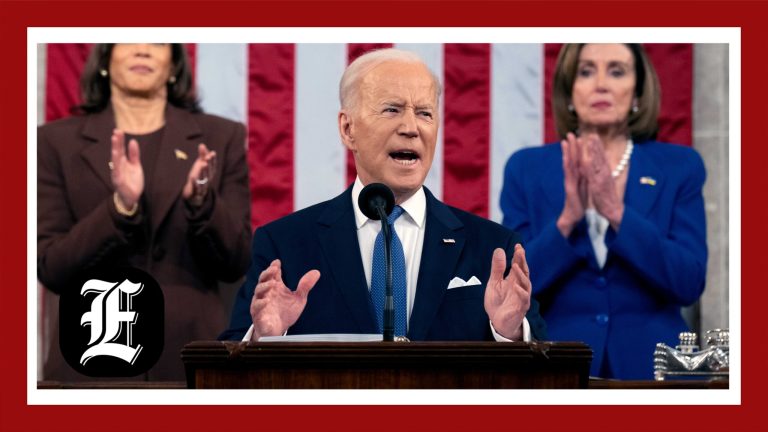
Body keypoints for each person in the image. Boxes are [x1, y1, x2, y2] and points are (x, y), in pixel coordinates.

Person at [221, 49, 546, 344]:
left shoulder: (493, 248)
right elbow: (231, 361)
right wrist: (265, 337)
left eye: (425, 113)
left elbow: (546, 373)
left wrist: (509, 333)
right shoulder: (285, 245)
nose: (411, 127)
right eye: (392, 110)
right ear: (348, 129)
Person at [38, 43, 252, 381]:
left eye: (156, 41)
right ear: (105, 60)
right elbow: (51, 266)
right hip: (93, 355)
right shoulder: (54, 142)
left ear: (173, 65)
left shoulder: (219, 137)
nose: (143, 50)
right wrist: (119, 207)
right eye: (129, 39)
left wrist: (202, 203)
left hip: (190, 357)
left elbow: (237, 261)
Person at [500, 43, 707, 379]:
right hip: (556, 368)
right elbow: (513, 288)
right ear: (569, 91)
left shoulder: (679, 167)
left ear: (638, 92)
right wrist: (567, 220)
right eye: (585, 71)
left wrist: (617, 213)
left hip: (655, 371)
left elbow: (688, 282)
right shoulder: (526, 169)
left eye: (617, 71)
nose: (601, 84)